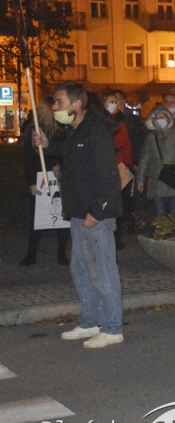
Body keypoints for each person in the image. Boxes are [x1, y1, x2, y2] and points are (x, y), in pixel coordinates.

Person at [34, 81, 124, 349]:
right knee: (82, 270)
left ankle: (112, 327)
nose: (55, 107)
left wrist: (97, 211)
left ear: (77, 104)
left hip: (94, 213)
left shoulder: (96, 132)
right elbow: (69, 155)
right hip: (77, 212)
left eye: (60, 102)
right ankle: (90, 321)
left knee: (103, 272)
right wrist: (48, 144)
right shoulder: (74, 132)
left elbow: (110, 177)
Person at [19, 98, 69, 267]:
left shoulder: (61, 129)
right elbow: (29, 157)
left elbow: (65, 151)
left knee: (62, 218)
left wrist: (58, 164)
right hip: (40, 178)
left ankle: (62, 253)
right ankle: (31, 254)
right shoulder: (34, 130)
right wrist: (31, 181)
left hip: (58, 179)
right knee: (37, 217)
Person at [135, 106, 175, 216]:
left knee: (174, 213)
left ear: (168, 118)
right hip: (157, 179)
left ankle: (173, 233)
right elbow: (144, 158)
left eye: (162, 116)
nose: (159, 119)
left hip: (174, 179)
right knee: (160, 215)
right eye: (156, 117)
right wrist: (140, 179)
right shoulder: (151, 137)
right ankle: (163, 233)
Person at [102, 90, 135, 247]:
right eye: (111, 101)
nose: (115, 105)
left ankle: (117, 234)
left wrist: (129, 165)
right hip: (109, 165)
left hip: (121, 165)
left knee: (121, 202)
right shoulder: (102, 122)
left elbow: (123, 144)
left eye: (117, 101)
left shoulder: (121, 122)